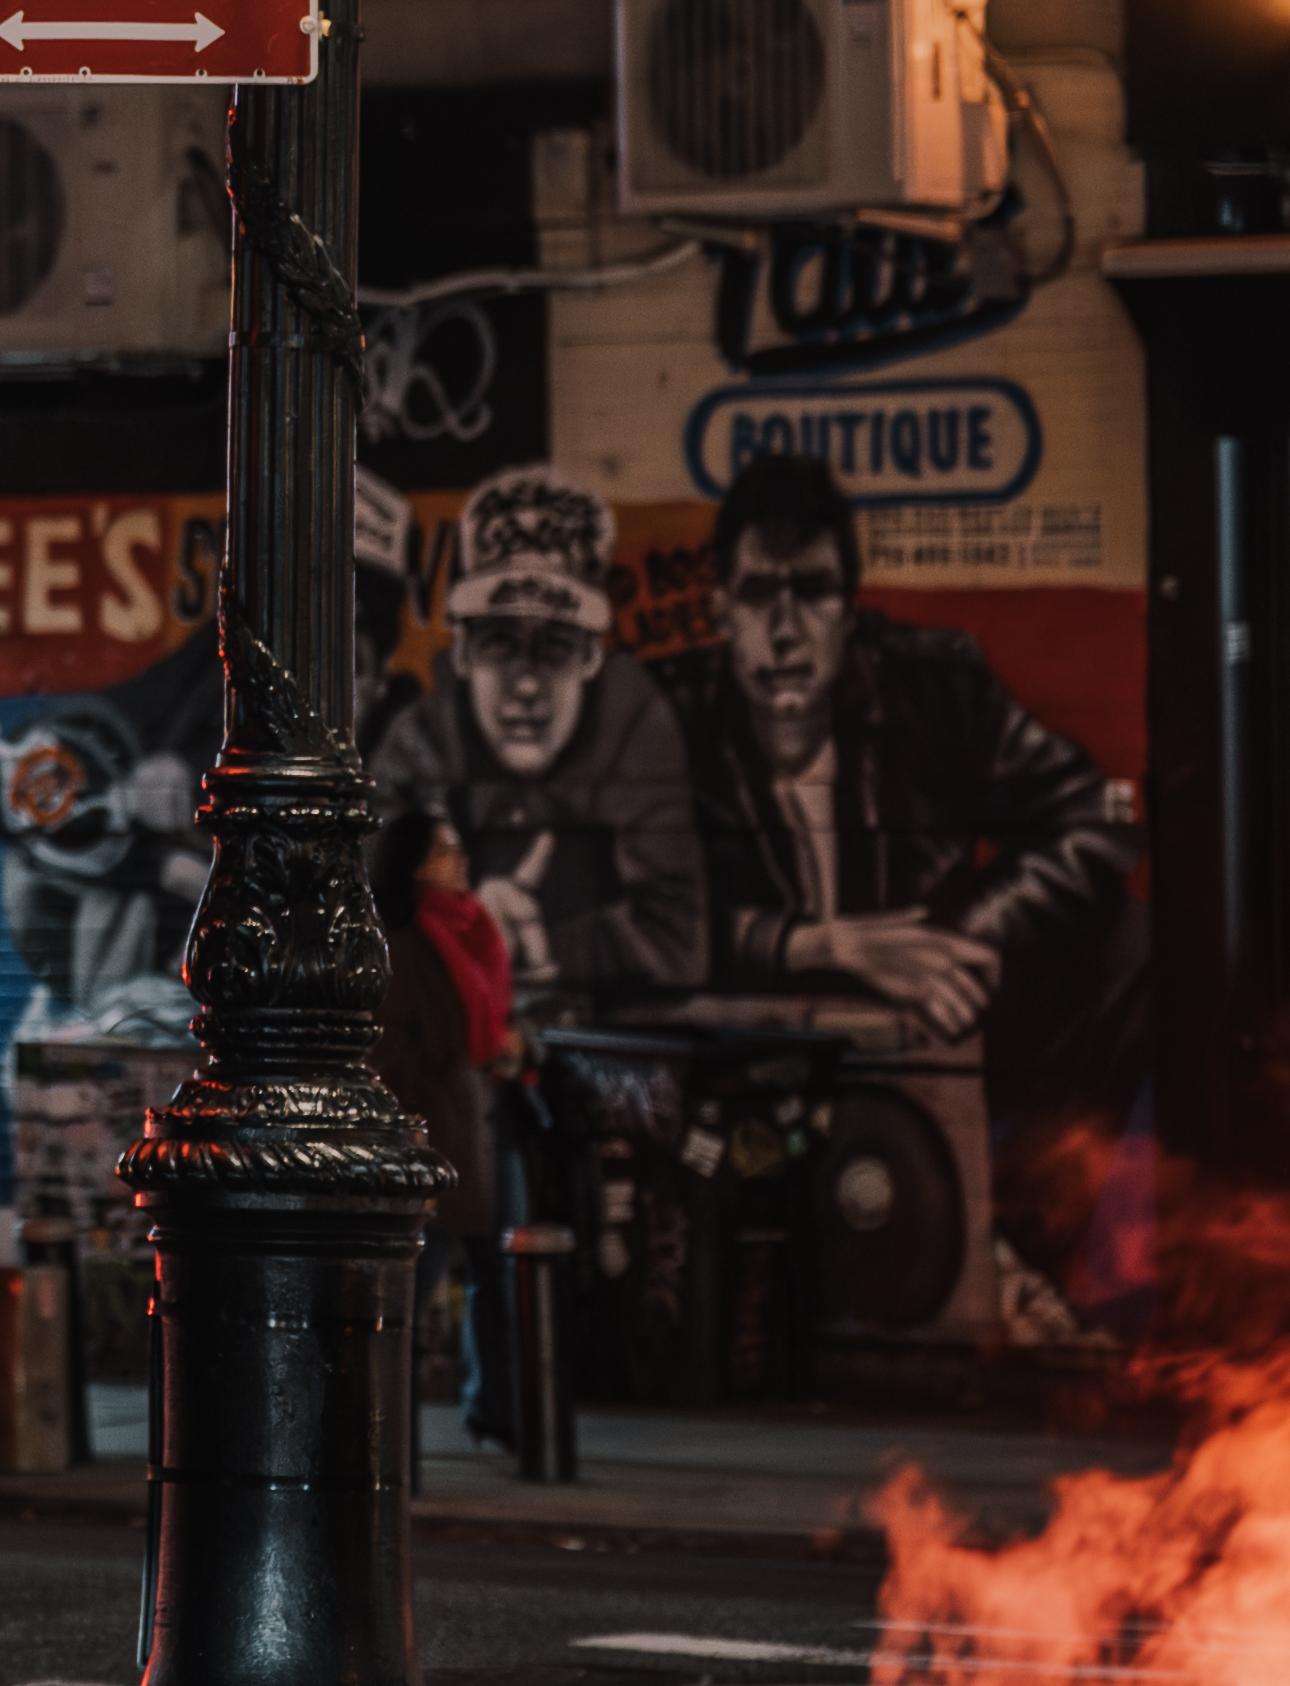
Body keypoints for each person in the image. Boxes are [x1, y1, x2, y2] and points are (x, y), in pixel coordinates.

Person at [661, 446, 1146, 1262]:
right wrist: (821, 943)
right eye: (757, 594)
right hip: (757, 1034)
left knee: (1131, 945)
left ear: (849, 609)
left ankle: (1016, 1253)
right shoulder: (668, 720)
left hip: (925, 1007)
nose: (784, 628)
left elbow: (1094, 820)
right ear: (719, 611)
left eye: (811, 591)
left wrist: (959, 939)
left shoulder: (934, 689)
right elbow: (624, 911)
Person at [369, 462, 707, 1016]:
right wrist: (466, 925)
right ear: (464, 652)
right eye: (501, 643)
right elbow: (360, 913)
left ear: (592, 657)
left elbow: (678, 939)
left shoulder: (635, 721)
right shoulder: (422, 739)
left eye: (554, 647)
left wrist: (542, 945)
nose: (526, 684)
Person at [373, 800, 524, 1443]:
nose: (459, 861)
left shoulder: (475, 933)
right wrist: (452, 1072)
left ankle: (501, 1411)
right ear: (413, 868)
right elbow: (390, 1054)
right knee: (412, 1291)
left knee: (504, 1279)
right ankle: (386, 1435)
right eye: (443, 852)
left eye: (458, 848)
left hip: (488, 1131)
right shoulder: (403, 948)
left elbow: (492, 1024)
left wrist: (513, 1051)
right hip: (437, 1142)